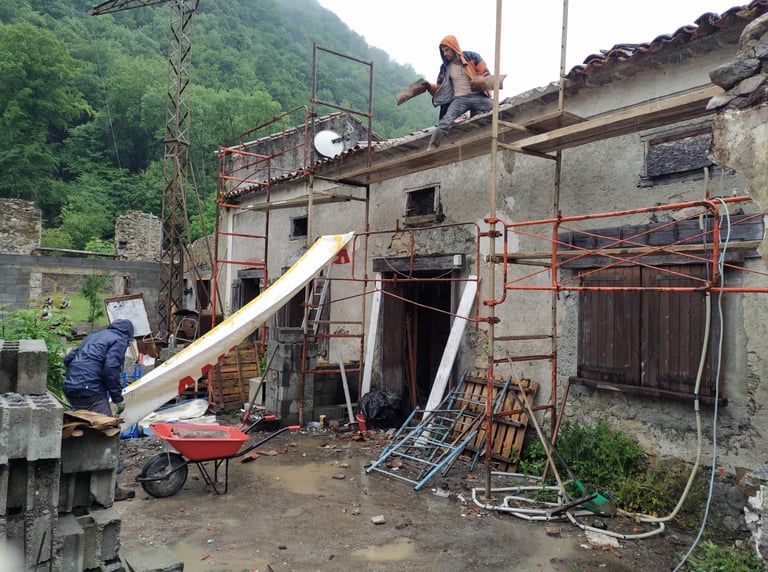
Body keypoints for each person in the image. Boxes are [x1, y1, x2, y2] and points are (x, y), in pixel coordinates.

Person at [64, 318, 136, 501]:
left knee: (83, 432)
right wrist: (118, 398)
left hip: (72, 387)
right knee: (107, 434)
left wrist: (79, 376)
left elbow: (68, 359)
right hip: (91, 391)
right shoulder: (119, 339)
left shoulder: (94, 336)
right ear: (128, 336)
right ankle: (111, 490)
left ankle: (81, 484)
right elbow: (110, 369)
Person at [425, 35, 494, 151]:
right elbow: (440, 89)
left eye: (447, 50)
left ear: (454, 47)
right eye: (443, 51)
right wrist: (428, 86)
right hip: (459, 99)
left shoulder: (472, 57)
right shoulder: (445, 68)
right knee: (446, 121)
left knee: (496, 109)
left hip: (477, 96)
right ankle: (432, 146)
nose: (445, 53)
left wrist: (483, 81)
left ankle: (493, 131)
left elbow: (486, 74)